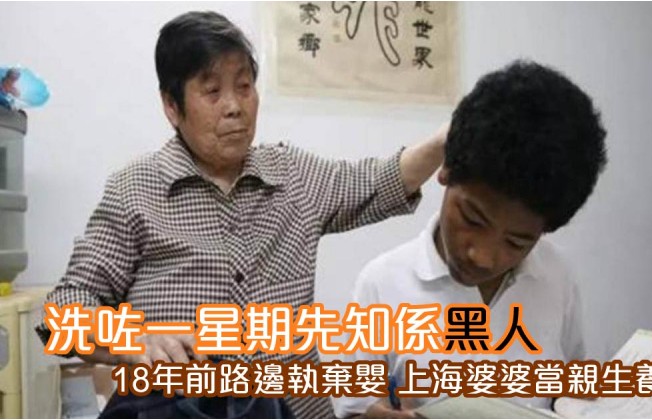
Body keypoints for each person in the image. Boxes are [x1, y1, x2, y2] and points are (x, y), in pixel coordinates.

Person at [35, 11, 446, 418]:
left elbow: (380, 180)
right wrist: (134, 340)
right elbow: (64, 312)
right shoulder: (135, 190)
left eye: (244, 86)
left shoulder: (291, 176)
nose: (234, 107)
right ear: (172, 107)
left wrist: (449, 140)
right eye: (212, 91)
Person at [333, 60, 608, 418]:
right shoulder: (382, 283)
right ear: (446, 171)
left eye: (516, 242)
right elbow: (356, 408)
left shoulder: (557, 277)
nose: (483, 256)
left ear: (546, 229)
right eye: (473, 219)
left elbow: (571, 390)